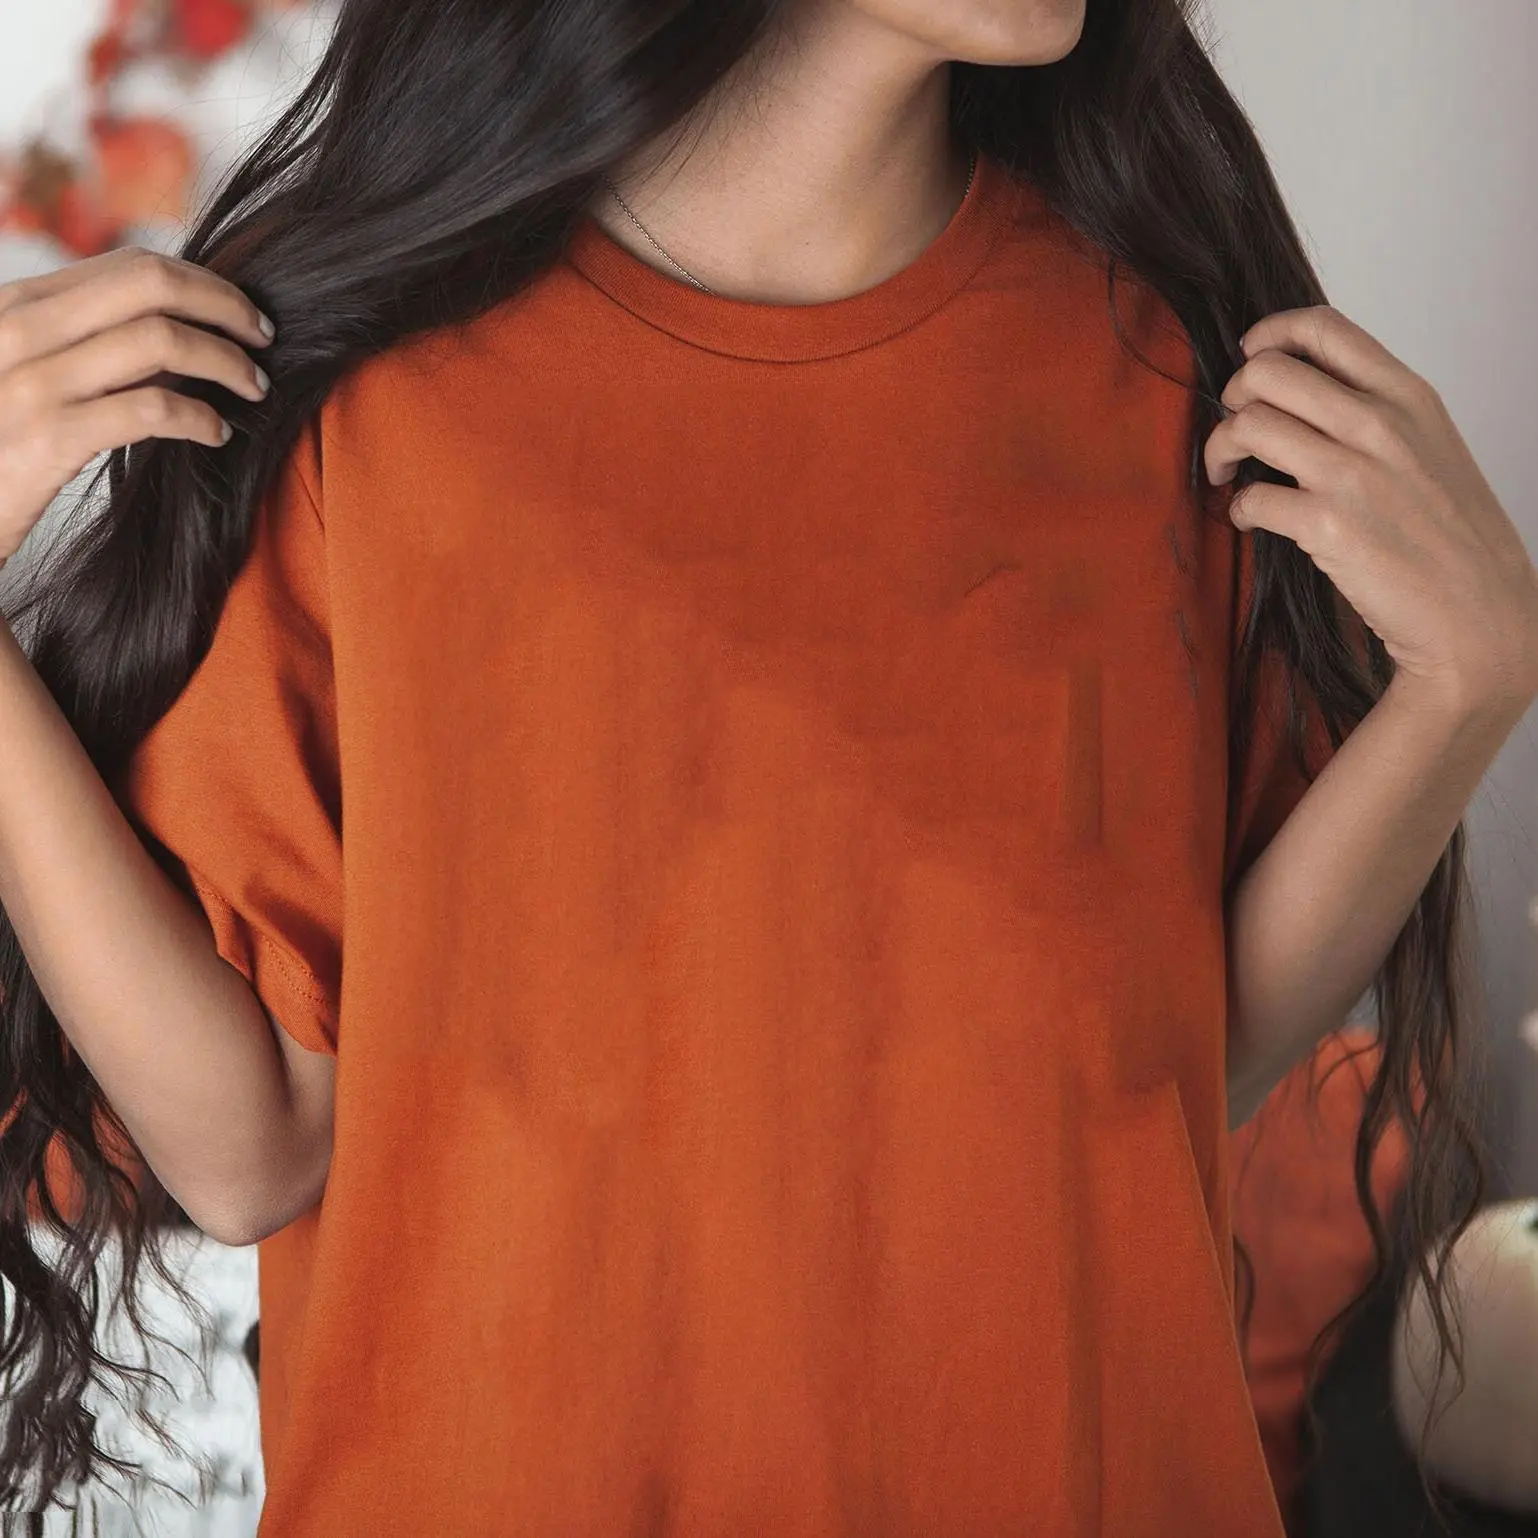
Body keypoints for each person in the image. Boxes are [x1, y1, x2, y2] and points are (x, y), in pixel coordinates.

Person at [0, 0, 1534, 1532]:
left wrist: (1466, 686)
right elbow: (249, 1146)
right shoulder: (372, 393)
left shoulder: (1160, 366)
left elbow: (1171, 1064)